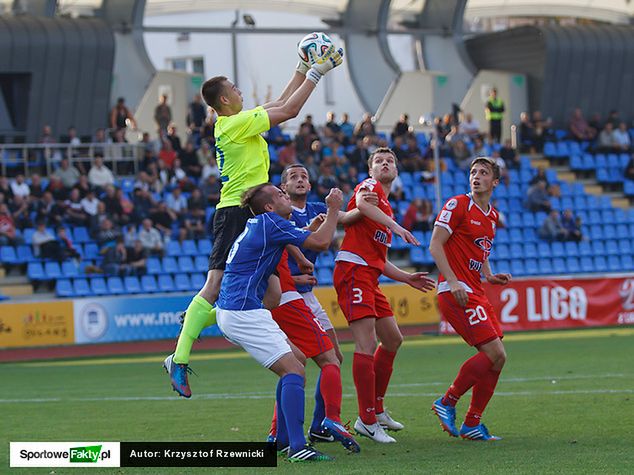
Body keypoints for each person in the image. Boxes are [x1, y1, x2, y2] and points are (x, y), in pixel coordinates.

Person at [164, 42, 345, 396]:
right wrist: (317, 73)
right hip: (235, 211)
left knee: (273, 294)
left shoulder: (237, 122)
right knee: (214, 285)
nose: (240, 91)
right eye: (235, 88)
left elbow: (279, 104)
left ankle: (201, 317)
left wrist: (300, 66)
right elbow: (290, 110)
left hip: (256, 213)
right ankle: (180, 355)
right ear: (225, 101)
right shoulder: (231, 124)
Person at [166, 183, 344, 462]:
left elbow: (293, 246)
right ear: (270, 206)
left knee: (296, 361)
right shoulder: (271, 223)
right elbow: (321, 243)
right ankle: (298, 447)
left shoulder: (262, 224)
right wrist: (333, 208)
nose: (286, 196)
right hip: (243, 313)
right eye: (280, 194)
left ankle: (283, 439)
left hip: (245, 310)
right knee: (294, 370)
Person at [333, 147, 436, 443]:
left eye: (390, 160)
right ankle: (365, 420)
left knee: (392, 339)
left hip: (369, 274)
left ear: (397, 170)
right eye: (379, 161)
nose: (385, 163)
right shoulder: (370, 188)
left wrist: (406, 278)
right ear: (371, 170)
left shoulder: (387, 208)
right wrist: (397, 227)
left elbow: (380, 260)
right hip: (353, 270)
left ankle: (377, 410)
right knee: (366, 344)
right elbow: (363, 206)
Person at [429, 156, 512, 441]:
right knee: (495, 353)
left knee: (498, 359)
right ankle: (447, 401)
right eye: (473, 172)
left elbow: (481, 251)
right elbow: (435, 245)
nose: (476, 176)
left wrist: (488, 275)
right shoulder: (458, 205)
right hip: (457, 291)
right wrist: (452, 282)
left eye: (483, 173)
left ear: (495, 182)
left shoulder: (492, 216)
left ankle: (472, 424)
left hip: (476, 288)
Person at [268, 249, 360, 453]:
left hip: (274, 301)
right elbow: (320, 241)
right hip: (289, 299)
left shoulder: (251, 230)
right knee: (330, 358)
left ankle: (278, 435)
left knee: (293, 366)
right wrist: (333, 215)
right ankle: (331, 419)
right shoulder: (271, 224)